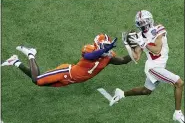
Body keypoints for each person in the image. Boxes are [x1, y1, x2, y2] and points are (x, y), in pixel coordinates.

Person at [109, 10, 184, 123]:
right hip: (153, 68)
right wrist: (127, 46)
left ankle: (121, 94)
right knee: (179, 83)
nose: (143, 24)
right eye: (141, 23)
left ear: (150, 20)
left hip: (159, 64)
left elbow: (157, 49)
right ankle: (177, 113)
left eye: (144, 22)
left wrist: (142, 43)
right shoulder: (139, 37)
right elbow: (136, 57)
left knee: (146, 91)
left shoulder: (159, 29)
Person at [2, 34, 131, 87]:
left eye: (107, 46)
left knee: (38, 81)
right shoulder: (89, 49)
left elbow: (124, 60)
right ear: (98, 46)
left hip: (70, 80)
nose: (106, 49)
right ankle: (30, 53)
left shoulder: (109, 56)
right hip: (66, 72)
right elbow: (89, 57)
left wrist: (140, 48)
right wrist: (102, 51)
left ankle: (15, 61)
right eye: (103, 47)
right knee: (37, 80)